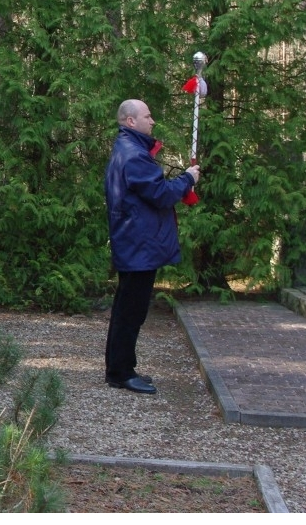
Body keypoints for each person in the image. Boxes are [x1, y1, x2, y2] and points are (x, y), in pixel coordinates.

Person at [104, 99, 200, 394]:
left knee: (129, 308)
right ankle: (120, 372)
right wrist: (187, 178)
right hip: (138, 245)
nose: (153, 120)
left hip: (136, 243)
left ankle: (123, 367)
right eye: (148, 116)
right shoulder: (133, 155)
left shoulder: (131, 151)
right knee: (130, 311)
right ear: (131, 121)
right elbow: (159, 193)